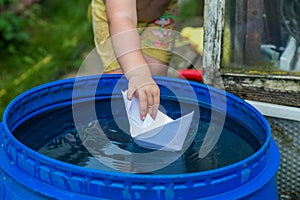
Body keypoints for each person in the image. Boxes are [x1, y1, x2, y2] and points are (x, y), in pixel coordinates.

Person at [91, 0, 178, 121]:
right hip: (117, 14)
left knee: (154, 74)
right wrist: (138, 74)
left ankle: (149, 122)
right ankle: (114, 124)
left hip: (159, 14)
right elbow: (121, 16)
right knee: (121, 79)